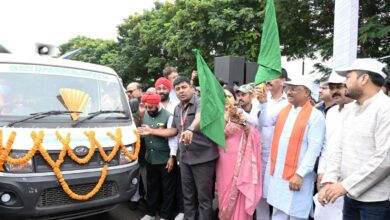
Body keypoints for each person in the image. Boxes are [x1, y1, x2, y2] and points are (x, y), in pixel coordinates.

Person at [318, 58, 390, 220]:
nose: (345, 83)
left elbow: (385, 158)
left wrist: (345, 186)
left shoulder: (386, 109)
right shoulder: (349, 110)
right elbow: (338, 148)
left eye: (348, 77)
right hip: (350, 198)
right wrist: (329, 181)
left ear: (364, 79)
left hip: (377, 202)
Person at [265, 77, 325, 220]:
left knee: (296, 214)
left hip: (298, 177)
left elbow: (314, 149)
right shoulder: (283, 111)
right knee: (278, 213)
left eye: (294, 88)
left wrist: (300, 174)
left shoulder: (315, 116)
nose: (289, 92)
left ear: (307, 93)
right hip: (278, 175)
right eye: (289, 88)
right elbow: (264, 123)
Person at [171, 76, 219, 220]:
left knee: (204, 199)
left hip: (203, 158)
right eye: (177, 89)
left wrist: (191, 129)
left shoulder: (201, 101)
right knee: (188, 196)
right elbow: (175, 130)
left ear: (192, 87)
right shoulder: (177, 108)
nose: (181, 91)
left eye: (184, 87)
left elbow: (199, 118)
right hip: (185, 158)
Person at [215, 89, 262, 220]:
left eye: (229, 96)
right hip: (224, 159)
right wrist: (226, 116)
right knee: (225, 193)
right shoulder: (216, 114)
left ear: (234, 98)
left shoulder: (241, 113)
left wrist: (242, 121)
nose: (226, 99)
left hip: (241, 159)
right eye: (223, 96)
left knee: (240, 190)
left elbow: (254, 134)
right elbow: (217, 135)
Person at [314, 73, 354, 220]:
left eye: (339, 87)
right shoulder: (331, 113)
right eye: (332, 87)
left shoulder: (358, 111)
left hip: (350, 179)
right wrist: (321, 172)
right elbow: (326, 145)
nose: (334, 91)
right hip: (328, 176)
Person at [254, 70, 289, 220]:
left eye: (272, 78)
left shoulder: (289, 102)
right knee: (260, 195)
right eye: (266, 78)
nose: (267, 81)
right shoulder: (259, 100)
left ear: (283, 80)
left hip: (281, 157)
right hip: (260, 154)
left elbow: (268, 122)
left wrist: (264, 105)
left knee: (278, 196)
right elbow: (256, 123)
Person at [138, 91, 178, 220]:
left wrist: (172, 157)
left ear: (157, 104)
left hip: (165, 158)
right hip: (150, 158)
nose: (148, 109)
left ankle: (165, 216)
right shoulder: (145, 113)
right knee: (152, 187)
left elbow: (173, 135)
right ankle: (150, 213)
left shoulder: (168, 115)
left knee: (167, 189)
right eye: (146, 106)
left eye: (150, 107)